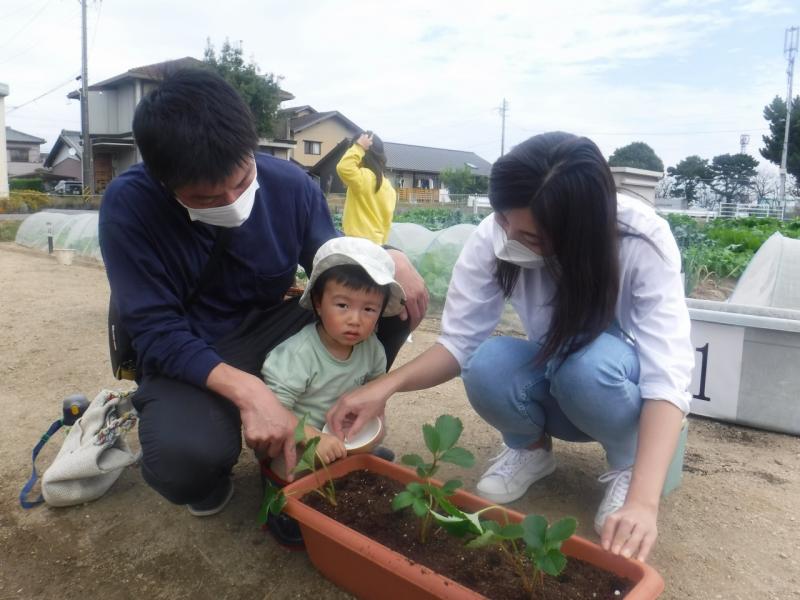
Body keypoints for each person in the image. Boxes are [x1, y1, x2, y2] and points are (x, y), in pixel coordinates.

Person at [327, 132, 694, 563]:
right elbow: (459, 343)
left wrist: (643, 503)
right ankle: (531, 451)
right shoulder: (496, 235)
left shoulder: (639, 240)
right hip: (562, 376)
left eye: (531, 236)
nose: (508, 237)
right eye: (503, 219)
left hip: (615, 388)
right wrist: (384, 387)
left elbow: (667, 375)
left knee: (586, 366)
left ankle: (631, 465)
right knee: (485, 364)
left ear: (578, 233)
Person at [98, 69, 428, 518]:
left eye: (240, 181)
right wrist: (252, 394)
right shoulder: (129, 205)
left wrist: (387, 257)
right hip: (193, 348)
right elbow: (157, 330)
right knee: (183, 462)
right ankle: (221, 462)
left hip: (274, 326)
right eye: (206, 198)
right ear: (163, 182)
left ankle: (333, 421)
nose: (232, 200)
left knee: (389, 301)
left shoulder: (288, 185)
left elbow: (333, 263)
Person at [261, 236, 405, 478]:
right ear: (318, 303)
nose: (355, 320)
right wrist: (315, 438)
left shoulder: (373, 349)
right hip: (297, 434)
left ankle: (354, 460)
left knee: (366, 447)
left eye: (369, 309)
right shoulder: (298, 354)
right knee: (288, 468)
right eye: (342, 305)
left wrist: (374, 422)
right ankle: (283, 501)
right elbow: (273, 414)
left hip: (340, 433)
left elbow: (375, 394)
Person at [337, 131, 396, 244]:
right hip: (377, 244)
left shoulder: (363, 177)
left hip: (357, 243)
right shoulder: (389, 188)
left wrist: (359, 147)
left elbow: (343, 167)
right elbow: (387, 222)